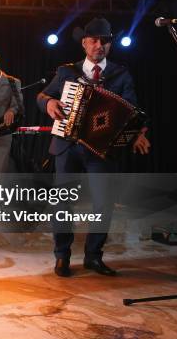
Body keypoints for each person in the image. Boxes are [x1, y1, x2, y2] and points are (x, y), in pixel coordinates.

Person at [37, 17, 150, 278]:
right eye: (95, 40)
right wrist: (50, 104)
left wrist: (138, 133)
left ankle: (93, 256)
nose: (100, 45)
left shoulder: (120, 73)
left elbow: (133, 111)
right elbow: (42, 96)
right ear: (85, 43)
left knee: (103, 203)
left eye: (105, 41)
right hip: (67, 144)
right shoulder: (67, 71)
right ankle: (62, 256)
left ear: (110, 45)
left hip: (101, 150)